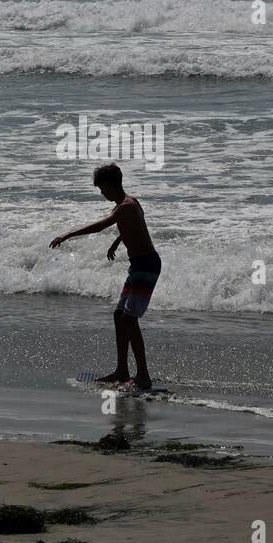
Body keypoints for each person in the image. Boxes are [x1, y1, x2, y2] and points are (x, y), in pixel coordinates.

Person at [50, 163, 161, 390]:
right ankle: (122, 370)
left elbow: (101, 225)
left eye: (103, 189)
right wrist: (118, 240)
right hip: (138, 265)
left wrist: (68, 234)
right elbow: (133, 224)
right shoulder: (130, 203)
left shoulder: (125, 206)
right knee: (119, 315)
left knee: (130, 319)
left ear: (112, 184)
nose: (102, 193)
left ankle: (143, 375)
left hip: (147, 265)